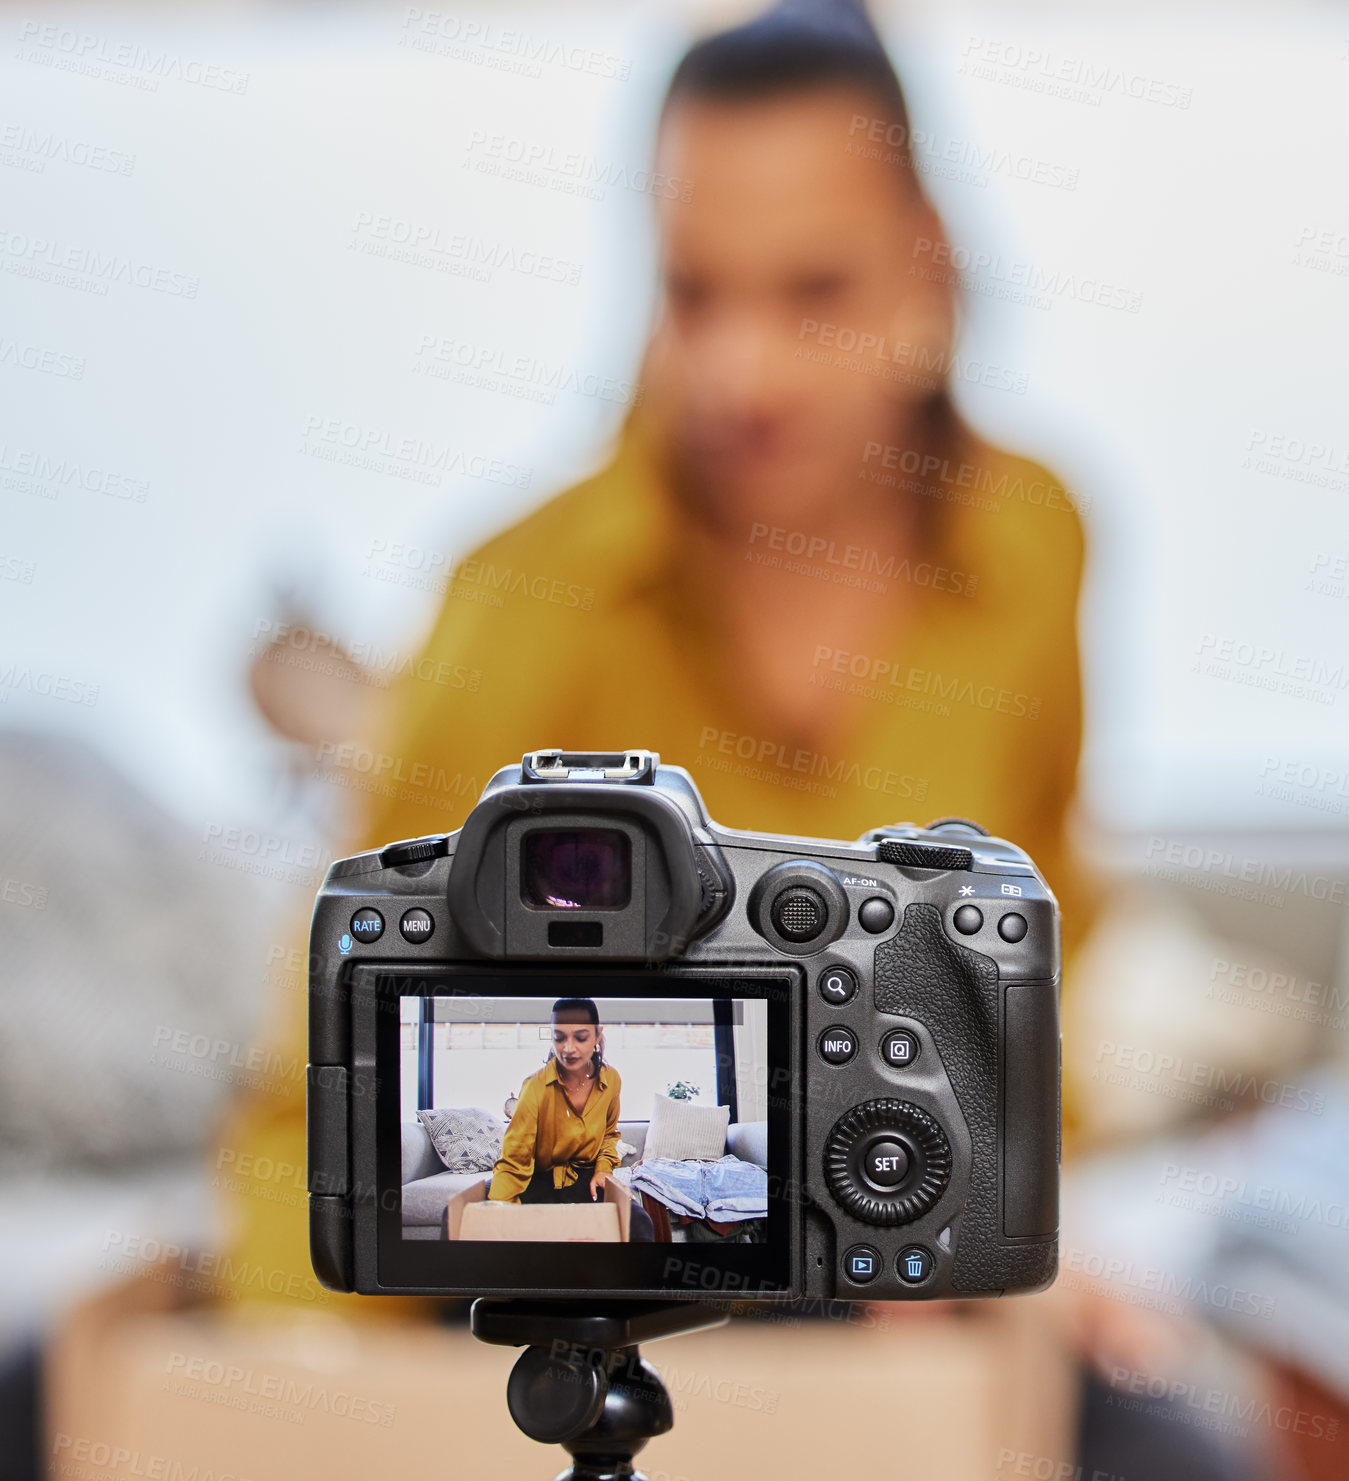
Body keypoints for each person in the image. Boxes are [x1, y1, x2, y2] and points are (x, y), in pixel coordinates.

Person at [222, 0, 1089, 1301]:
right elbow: (322, 1088)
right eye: (695, 292)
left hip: (908, 1268)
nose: (742, 373)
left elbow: (1044, 963)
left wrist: (1011, 1227)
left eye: (814, 291)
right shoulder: (518, 596)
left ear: (926, 268)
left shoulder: (1035, 545)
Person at [487, 998, 655, 1242]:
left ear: (598, 1035)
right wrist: (498, 1212)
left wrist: (603, 1170)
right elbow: (514, 1161)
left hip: (585, 1179)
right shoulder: (534, 1087)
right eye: (559, 1037)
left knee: (639, 1223)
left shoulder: (612, 1080)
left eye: (580, 1037)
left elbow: (609, 1134)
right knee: (462, 1215)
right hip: (537, 1180)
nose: (568, 1048)